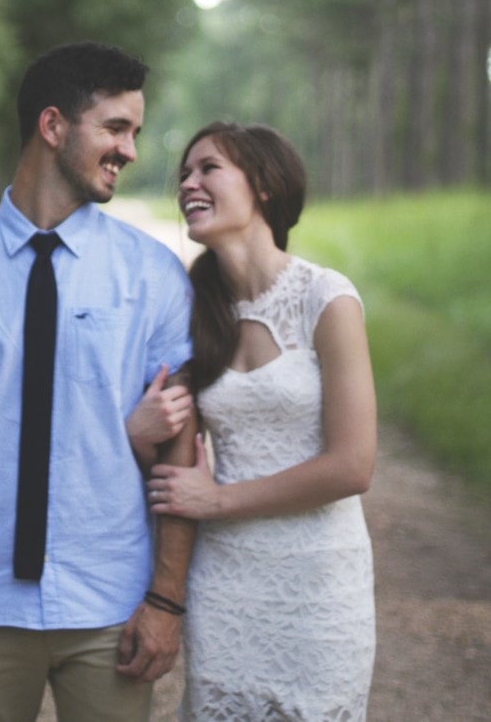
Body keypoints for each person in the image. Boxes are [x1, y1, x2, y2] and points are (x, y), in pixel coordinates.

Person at [0, 41, 196, 722]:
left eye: (135, 131)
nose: (131, 150)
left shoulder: (153, 274)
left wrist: (167, 600)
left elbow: (180, 443)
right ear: (53, 126)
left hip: (110, 605)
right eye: (116, 127)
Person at [147, 121, 377, 722]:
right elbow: (166, 461)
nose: (188, 184)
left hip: (320, 589)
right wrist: (136, 431)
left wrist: (216, 501)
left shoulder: (326, 298)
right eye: (184, 174)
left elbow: (353, 466)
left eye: (208, 168)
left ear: (265, 186)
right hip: (224, 587)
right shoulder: (192, 310)